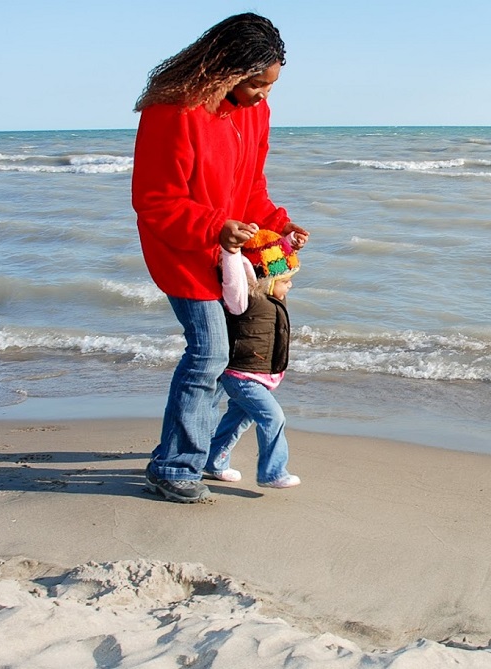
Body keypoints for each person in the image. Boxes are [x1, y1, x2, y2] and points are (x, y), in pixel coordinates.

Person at [131, 13, 308, 503]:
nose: (263, 96)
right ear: (225, 69)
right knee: (208, 354)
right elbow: (155, 200)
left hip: (233, 256)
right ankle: (173, 466)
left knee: (224, 357)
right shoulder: (173, 111)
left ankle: (189, 448)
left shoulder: (255, 114)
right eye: (255, 84)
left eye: (270, 86)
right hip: (182, 251)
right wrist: (214, 227)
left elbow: (250, 188)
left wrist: (278, 224)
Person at [204, 229, 302, 489]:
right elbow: (238, 278)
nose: (290, 285)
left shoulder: (273, 301)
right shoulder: (244, 300)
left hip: (260, 377)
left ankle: (214, 462)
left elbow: (269, 260)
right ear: (268, 282)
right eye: (285, 281)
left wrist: (289, 244)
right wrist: (232, 252)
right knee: (273, 418)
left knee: (236, 421)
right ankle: (272, 473)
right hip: (242, 376)